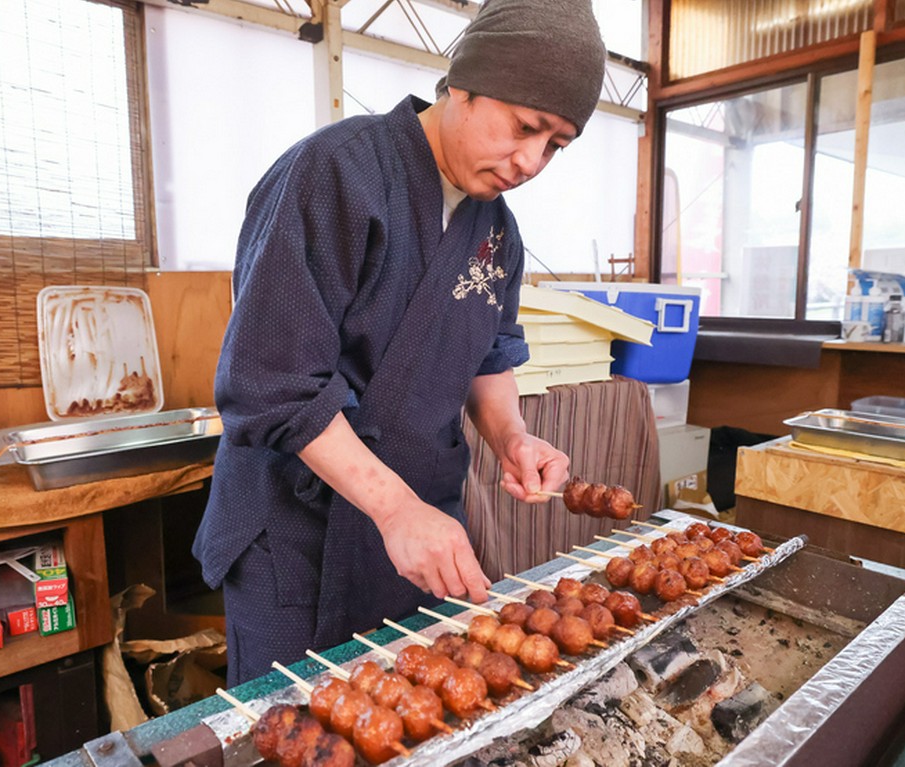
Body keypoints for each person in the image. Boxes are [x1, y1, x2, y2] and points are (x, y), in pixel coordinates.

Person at [194, 0, 607, 686]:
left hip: (416, 534)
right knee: (293, 725)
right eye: (525, 127)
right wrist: (393, 507)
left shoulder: (497, 232)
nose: (531, 162)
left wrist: (512, 437)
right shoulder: (335, 174)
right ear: (465, 83)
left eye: (556, 145)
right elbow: (271, 383)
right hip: (301, 532)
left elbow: (489, 352)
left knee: (416, 713)